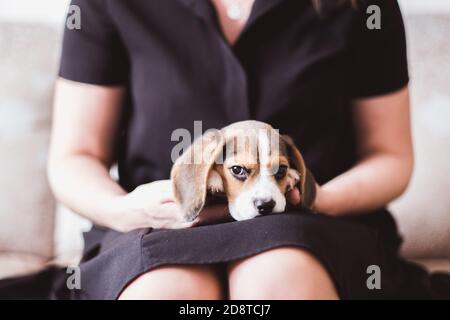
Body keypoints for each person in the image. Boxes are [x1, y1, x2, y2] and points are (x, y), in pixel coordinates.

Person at [47, 0, 436, 299]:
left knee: (278, 278)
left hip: (315, 221)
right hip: (153, 223)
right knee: (164, 290)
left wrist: (319, 199)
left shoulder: (365, 7)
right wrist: (124, 210)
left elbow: (390, 155)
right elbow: (74, 156)